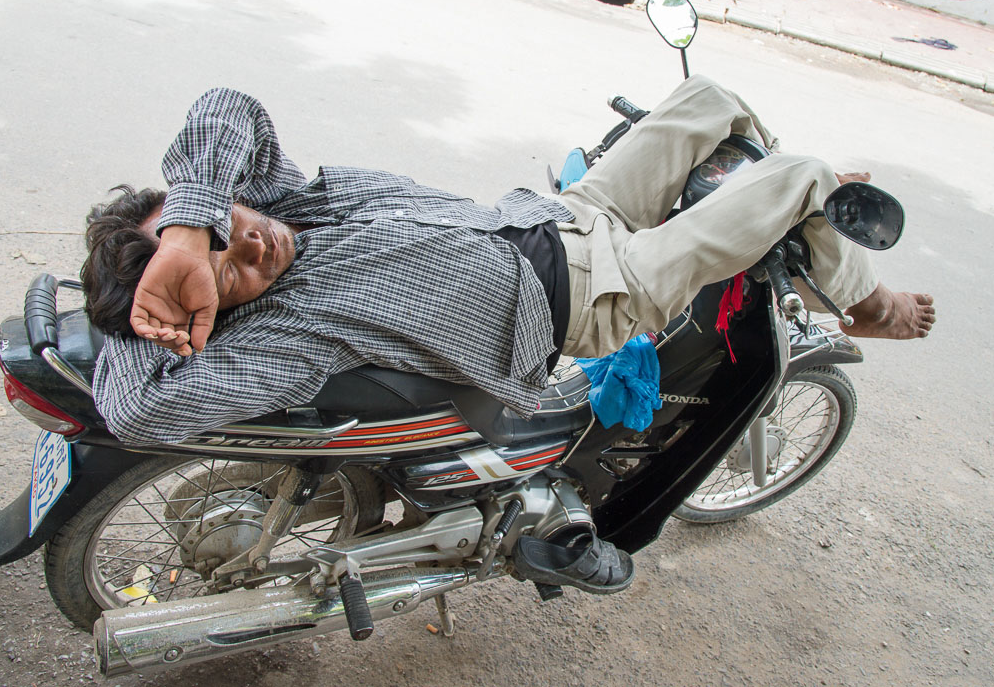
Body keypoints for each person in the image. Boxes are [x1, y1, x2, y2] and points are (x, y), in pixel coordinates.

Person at [85, 77, 935, 449]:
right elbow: (138, 415)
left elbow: (226, 105)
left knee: (711, 100)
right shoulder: (290, 325)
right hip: (599, 294)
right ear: (216, 308)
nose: (253, 245)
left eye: (227, 227)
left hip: (565, 215)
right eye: (231, 273)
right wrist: (152, 313)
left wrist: (189, 233)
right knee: (803, 174)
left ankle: (803, 224)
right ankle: (866, 300)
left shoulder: (290, 202)